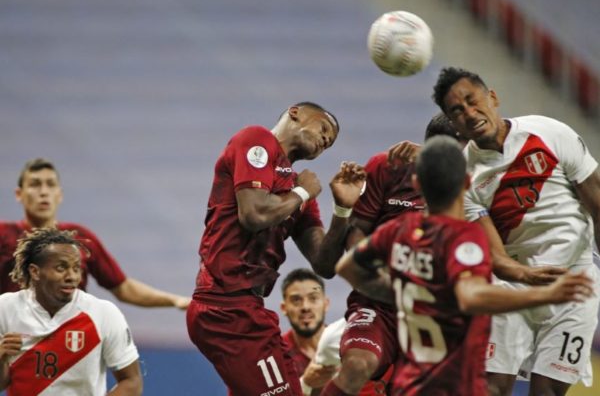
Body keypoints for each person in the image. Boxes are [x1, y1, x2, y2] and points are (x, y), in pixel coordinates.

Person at [316, 113, 567, 396]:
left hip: (437, 326)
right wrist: (396, 290)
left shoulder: (473, 225)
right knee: (358, 365)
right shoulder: (400, 222)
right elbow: (349, 262)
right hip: (380, 311)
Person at [432, 66, 600, 395]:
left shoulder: (550, 133)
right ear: (453, 124)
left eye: (472, 100)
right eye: (457, 110)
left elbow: (596, 200)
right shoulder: (462, 177)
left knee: (547, 391)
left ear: (492, 97)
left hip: (576, 284)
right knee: (492, 387)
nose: (469, 112)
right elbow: (494, 255)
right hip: (512, 288)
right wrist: (526, 276)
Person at [186, 101, 366, 395]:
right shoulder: (256, 139)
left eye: (329, 143)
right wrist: (302, 192)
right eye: (323, 129)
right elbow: (254, 214)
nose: (324, 141)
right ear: (295, 112)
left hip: (247, 310)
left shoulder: (296, 188)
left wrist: (342, 211)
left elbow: (324, 264)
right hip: (223, 307)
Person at [0, 158, 191, 310]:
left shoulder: (80, 238)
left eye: (50, 185)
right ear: (19, 194)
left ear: (60, 194)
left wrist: (174, 300)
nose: (44, 192)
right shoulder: (3, 235)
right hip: (15, 342)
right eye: (35, 184)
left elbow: (123, 288)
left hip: (69, 340)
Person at [0, 227, 142, 395]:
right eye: (61, 268)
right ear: (35, 271)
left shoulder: (103, 314)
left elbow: (131, 381)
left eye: (76, 268)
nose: (72, 277)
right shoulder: (6, 308)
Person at [279, 268, 337, 394]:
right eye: (296, 300)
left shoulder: (348, 345)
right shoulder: (274, 355)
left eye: (313, 298)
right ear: (284, 308)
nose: (305, 307)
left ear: (326, 304)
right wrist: (305, 384)